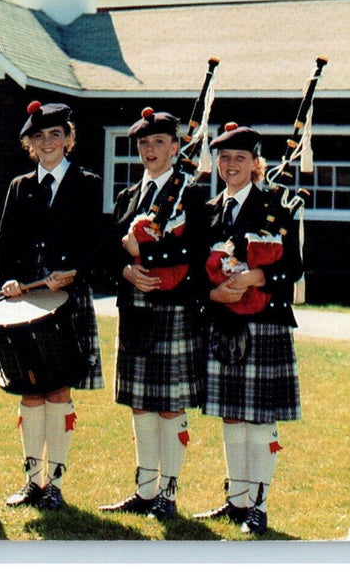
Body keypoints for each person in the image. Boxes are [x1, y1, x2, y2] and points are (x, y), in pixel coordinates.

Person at [191, 123, 303, 536]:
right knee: (232, 418)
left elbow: (293, 266)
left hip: (265, 323)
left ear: (257, 164)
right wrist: (211, 295)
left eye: (240, 157)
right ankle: (236, 501)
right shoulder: (209, 210)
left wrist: (258, 277)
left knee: (259, 420)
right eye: (224, 157)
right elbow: (195, 269)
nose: (231, 164)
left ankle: (259, 504)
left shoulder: (278, 205)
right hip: (225, 322)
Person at [0, 100, 104, 510]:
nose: (47, 142)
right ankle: (31, 481)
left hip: (66, 301)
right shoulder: (19, 187)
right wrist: (7, 277)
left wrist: (74, 271)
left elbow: (96, 243)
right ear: (30, 145)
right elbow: (3, 246)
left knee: (57, 390)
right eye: (39, 136)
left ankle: (54, 482)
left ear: (69, 140)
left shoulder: (87, 183)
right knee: (30, 389)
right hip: (26, 302)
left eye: (56, 134)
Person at [98, 108, 208, 520]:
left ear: (176, 148)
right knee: (141, 404)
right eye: (144, 144)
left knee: (169, 404)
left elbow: (196, 251)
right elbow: (108, 250)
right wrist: (126, 271)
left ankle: (169, 493)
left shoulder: (192, 194)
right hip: (135, 308)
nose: (150, 150)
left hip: (174, 305)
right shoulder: (129, 196)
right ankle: (145, 491)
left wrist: (143, 253)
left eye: (159, 142)